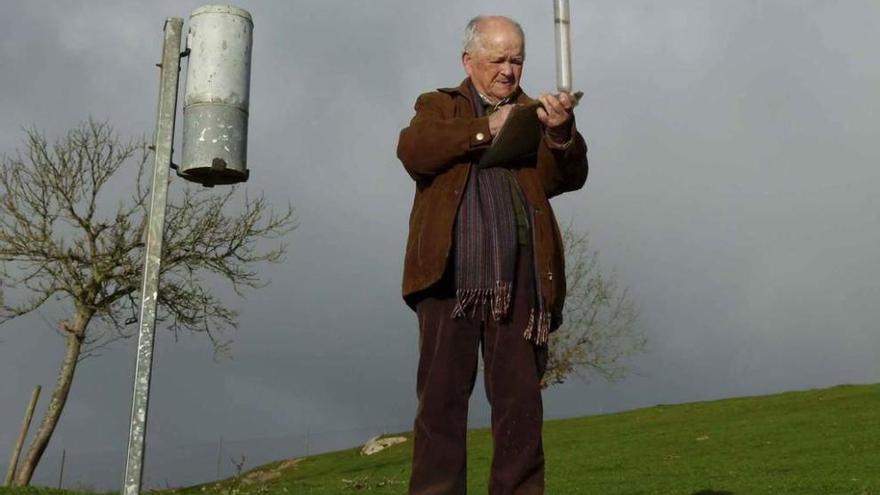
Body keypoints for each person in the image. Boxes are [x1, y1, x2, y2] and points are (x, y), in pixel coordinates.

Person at [397, 15, 588, 495]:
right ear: (469, 60)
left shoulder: (535, 111)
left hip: (520, 279)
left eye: (517, 59)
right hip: (447, 279)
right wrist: (486, 128)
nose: (509, 70)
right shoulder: (439, 105)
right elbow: (414, 150)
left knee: (519, 408)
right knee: (440, 405)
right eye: (498, 59)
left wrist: (561, 133)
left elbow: (563, 178)